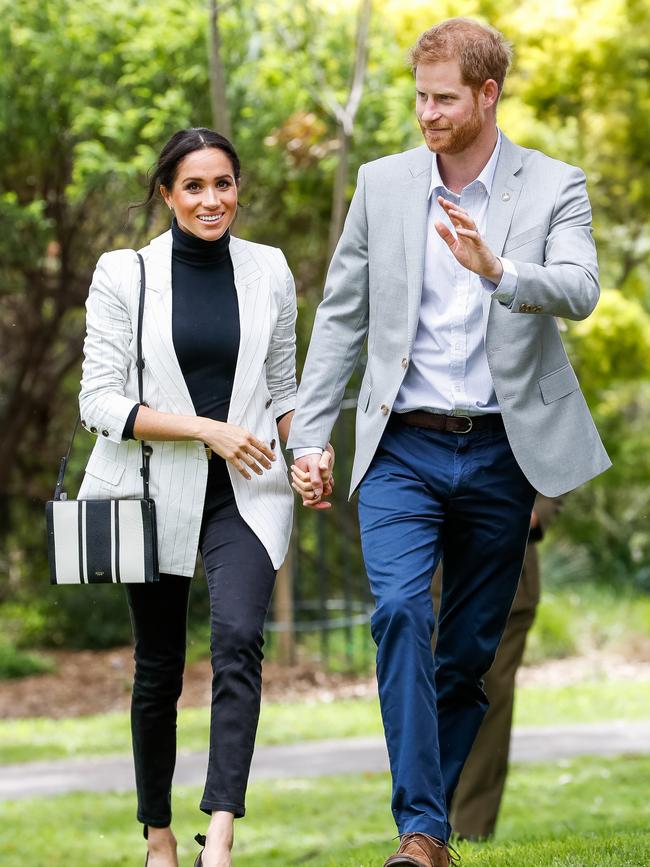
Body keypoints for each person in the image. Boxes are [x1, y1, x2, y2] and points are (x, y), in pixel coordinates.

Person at [288, 18, 609, 867]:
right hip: (404, 444)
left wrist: (499, 271)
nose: (426, 112)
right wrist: (311, 435)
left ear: (487, 95)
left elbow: (580, 289)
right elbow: (343, 320)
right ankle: (421, 832)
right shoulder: (384, 185)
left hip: (506, 450)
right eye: (419, 96)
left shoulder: (551, 185)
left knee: (467, 657)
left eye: (442, 98)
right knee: (397, 611)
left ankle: (426, 827)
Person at [78, 128, 331, 867]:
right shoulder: (126, 274)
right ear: (166, 193)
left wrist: (308, 450)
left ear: (238, 187)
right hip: (154, 490)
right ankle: (157, 837)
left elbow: (285, 388)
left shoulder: (271, 270)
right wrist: (207, 430)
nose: (211, 199)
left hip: (247, 491)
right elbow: (99, 401)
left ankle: (218, 834)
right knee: (158, 665)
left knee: (238, 642)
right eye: (194, 186)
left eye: (223, 183)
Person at [432, 493, 564, 840]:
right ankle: (426, 828)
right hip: (436, 579)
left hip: (510, 574)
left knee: (492, 701)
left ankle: (473, 830)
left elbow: (562, 447)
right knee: (434, 695)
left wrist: (538, 511)